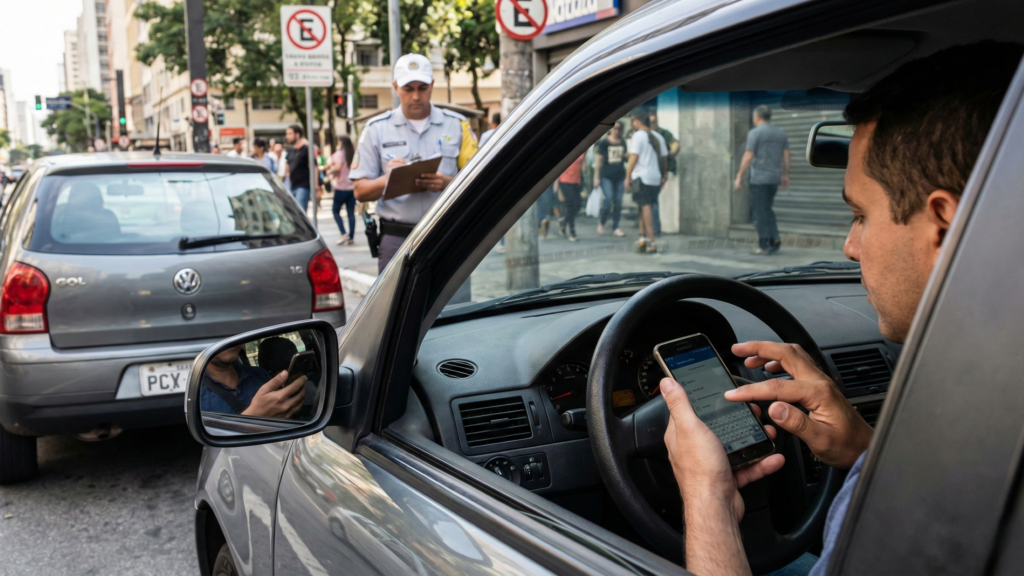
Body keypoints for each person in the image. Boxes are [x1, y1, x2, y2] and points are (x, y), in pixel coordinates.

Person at [663, 41, 1023, 576]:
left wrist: (706, 497)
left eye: (861, 215)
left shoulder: (954, 466)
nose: (850, 247)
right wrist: (864, 451)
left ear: (945, 227)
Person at [351, 53, 478, 273]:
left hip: (447, 235)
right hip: (396, 239)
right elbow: (359, 191)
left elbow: (479, 181)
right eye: (408, 89)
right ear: (395, 87)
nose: (416, 96)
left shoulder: (457, 125)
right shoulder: (375, 129)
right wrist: (387, 179)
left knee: (453, 306)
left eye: (422, 87)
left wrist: (447, 183)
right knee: (396, 307)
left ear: (432, 85)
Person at [735, 105, 791, 255]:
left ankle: (764, 245)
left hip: (759, 179)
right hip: (774, 178)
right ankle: (775, 239)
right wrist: (785, 175)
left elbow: (748, 156)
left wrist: (739, 176)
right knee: (767, 209)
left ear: (757, 117)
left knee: (760, 213)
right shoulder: (781, 133)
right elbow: (786, 155)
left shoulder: (755, 133)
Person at [199, 344, 307, 418]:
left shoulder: (260, 375)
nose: (228, 336)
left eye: (233, 329)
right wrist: (255, 416)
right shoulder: (194, 392)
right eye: (216, 330)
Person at [625, 109, 668, 253]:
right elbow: (664, 158)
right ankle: (643, 239)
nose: (632, 124)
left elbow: (633, 158)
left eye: (633, 121)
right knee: (643, 207)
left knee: (645, 207)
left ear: (638, 121)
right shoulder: (658, 136)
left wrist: (627, 177)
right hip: (655, 178)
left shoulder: (638, 136)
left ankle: (651, 242)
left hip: (642, 177)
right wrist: (664, 175)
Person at [594, 122, 627, 237]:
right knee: (608, 199)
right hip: (606, 176)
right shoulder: (604, 142)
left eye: (619, 129)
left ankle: (615, 227)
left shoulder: (623, 142)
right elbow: (599, 160)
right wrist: (596, 178)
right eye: (615, 128)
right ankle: (602, 221)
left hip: (620, 176)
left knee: (618, 202)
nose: (617, 131)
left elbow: (625, 158)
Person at [649, 112, 679, 236]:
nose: (652, 124)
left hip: (664, 171)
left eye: (654, 121)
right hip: (654, 172)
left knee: (659, 200)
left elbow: (675, 144)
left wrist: (669, 155)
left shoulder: (662, 133)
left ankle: (659, 227)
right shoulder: (646, 134)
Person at [327, 135, 357, 245]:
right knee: (351, 213)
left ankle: (344, 233)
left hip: (341, 187)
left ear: (341, 142)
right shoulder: (353, 154)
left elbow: (337, 168)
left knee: (335, 211)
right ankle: (351, 237)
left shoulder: (339, 154)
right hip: (352, 187)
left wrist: (330, 172)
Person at [555, 154, 585, 242]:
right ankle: (572, 232)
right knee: (571, 205)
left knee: (578, 205)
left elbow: (583, 166)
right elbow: (558, 167)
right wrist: (556, 184)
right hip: (565, 181)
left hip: (576, 181)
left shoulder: (583, 148)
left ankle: (563, 222)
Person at [285, 124, 313, 212]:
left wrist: (315, 186)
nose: (287, 136)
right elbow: (287, 165)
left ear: (297, 135)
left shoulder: (306, 149)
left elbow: (314, 167)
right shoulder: (289, 150)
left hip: (303, 186)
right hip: (291, 186)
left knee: (300, 213)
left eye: (289, 134)